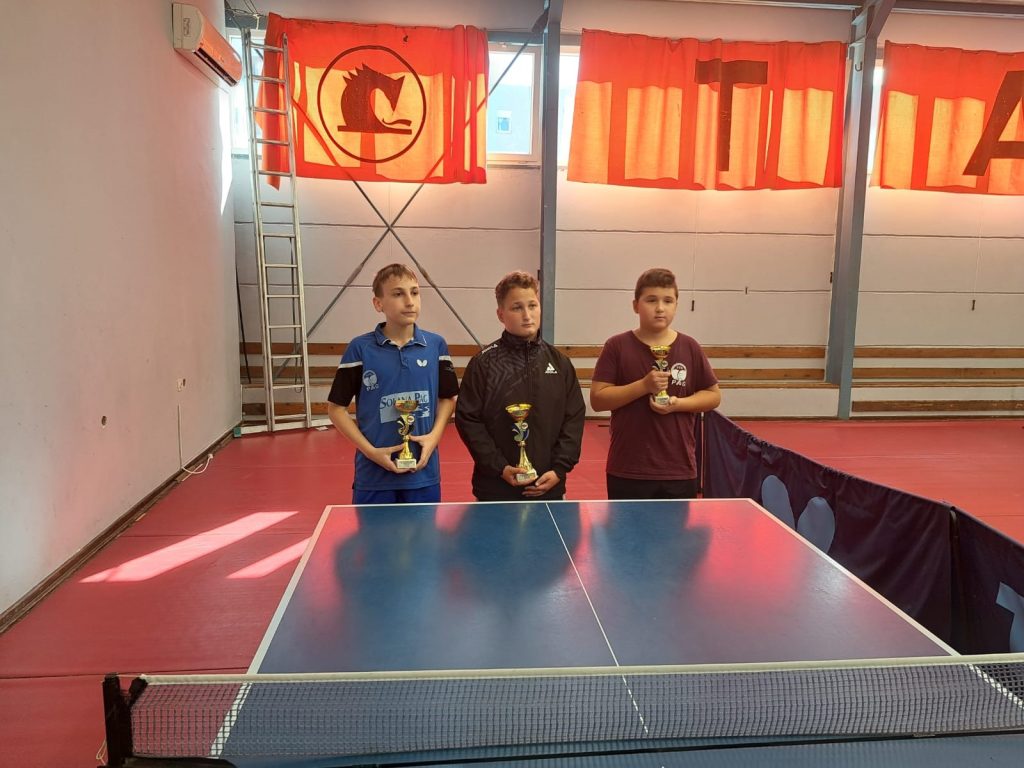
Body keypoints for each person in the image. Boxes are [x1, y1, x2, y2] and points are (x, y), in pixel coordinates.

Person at [326, 263, 459, 504]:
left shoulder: (437, 346)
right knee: (376, 531)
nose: (409, 301)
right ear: (378, 304)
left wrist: (434, 438)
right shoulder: (359, 349)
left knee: (424, 531)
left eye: (415, 292)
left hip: (423, 474)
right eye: (398, 294)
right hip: (373, 476)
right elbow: (336, 409)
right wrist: (370, 452)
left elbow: (448, 398)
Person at [590, 268, 721, 500]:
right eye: (651, 300)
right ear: (635, 305)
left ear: (676, 306)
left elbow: (713, 396)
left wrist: (677, 404)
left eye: (668, 301)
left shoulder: (690, 347)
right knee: (626, 526)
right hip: (628, 469)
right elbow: (598, 400)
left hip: (679, 470)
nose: (660, 308)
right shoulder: (616, 346)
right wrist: (643, 386)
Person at [456, 271, 585, 501]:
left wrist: (559, 469)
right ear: (501, 314)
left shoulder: (560, 363)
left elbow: (573, 418)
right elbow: (469, 420)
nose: (527, 315)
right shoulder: (483, 364)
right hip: (495, 489)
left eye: (532, 305)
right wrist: (499, 467)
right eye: (517, 308)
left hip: (549, 485)